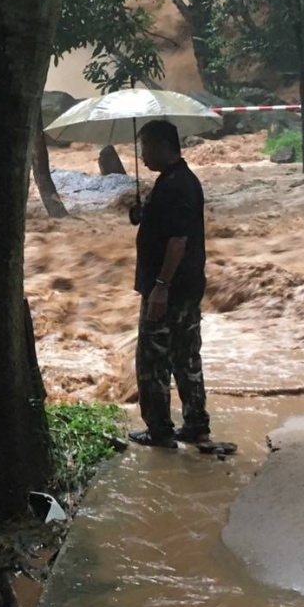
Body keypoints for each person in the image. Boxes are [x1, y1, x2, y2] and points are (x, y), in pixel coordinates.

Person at [128, 120, 210, 448]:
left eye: (145, 146)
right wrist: (143, 214)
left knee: (152, 360)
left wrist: (160, 286)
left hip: (168, 290)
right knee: (186, 356)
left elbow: (177, 241)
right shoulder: (178, 180)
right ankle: (196, 424)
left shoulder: (175, 186)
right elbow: (167, 227)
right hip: (187, 287)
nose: (142, 154)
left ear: (164, 146)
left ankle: (159, 429)